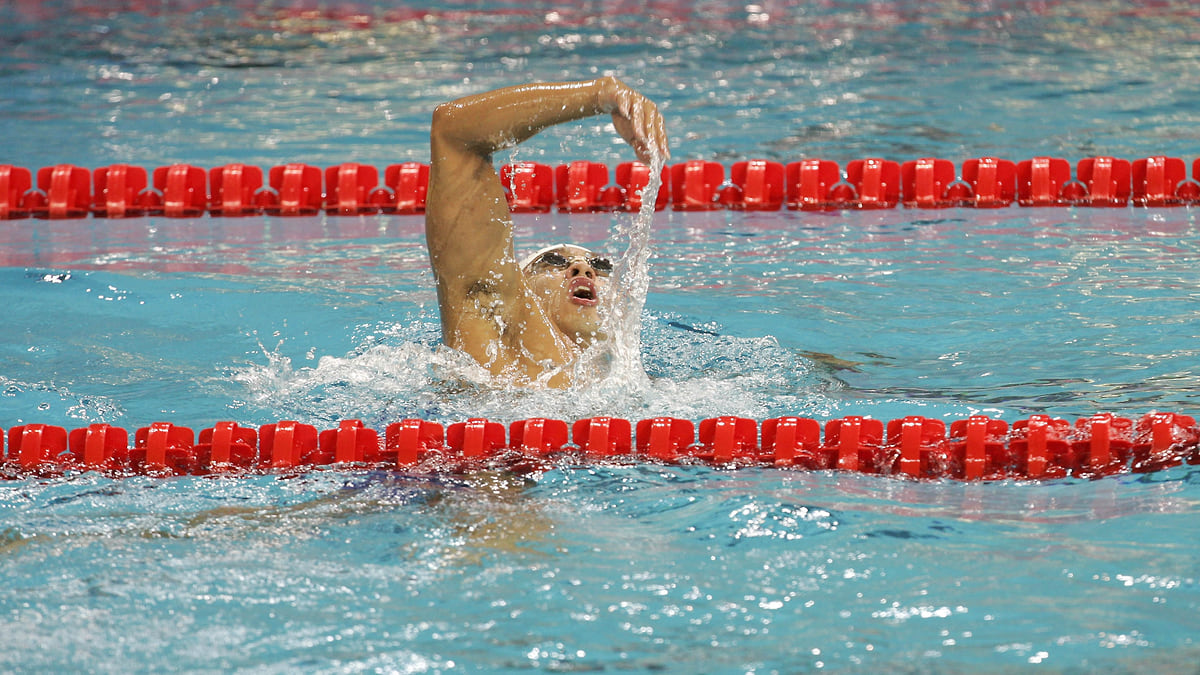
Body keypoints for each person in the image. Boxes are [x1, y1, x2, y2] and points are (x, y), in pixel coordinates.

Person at [425, 77, 670, 387]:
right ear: (520, 284)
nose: (582, 268)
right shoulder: (496, 345)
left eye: (601, 266)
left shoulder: (642, 384)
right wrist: (601, 94)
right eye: (553, 262)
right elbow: (454, 133)